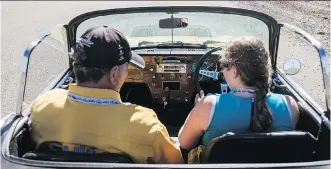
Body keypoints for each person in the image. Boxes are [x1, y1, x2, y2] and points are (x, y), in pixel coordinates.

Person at [29, 26, 184, 164]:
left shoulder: (43, 105)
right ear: (114, 74)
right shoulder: (145, 127)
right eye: (127, 67)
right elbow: (175, 164)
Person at [178, 36, 300, 151]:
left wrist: (198, 109)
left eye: (224, 67)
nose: (223, 73)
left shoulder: (208, 106)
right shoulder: (290, 106)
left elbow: (185, 143)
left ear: (234, 71)